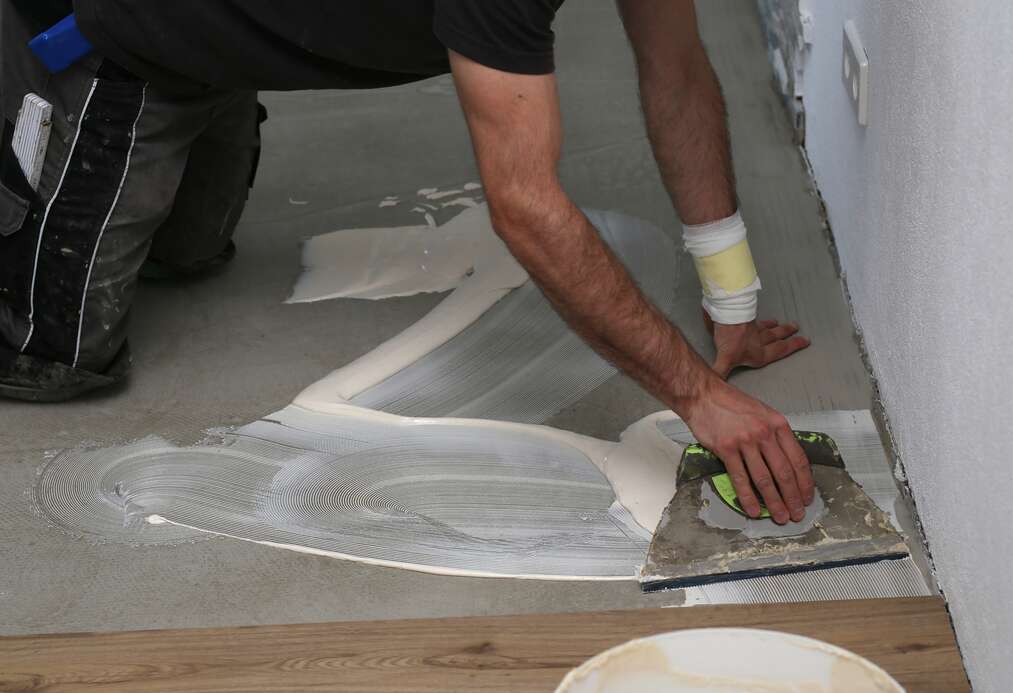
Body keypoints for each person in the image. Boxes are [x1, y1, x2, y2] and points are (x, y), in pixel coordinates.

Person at [0, 1, 814, 524]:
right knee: (54, 350)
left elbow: (675, 69)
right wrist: (698, 398)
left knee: (190, 257)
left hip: (211, 54)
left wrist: (730, 294)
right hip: (105, 30)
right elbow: (525, 207)